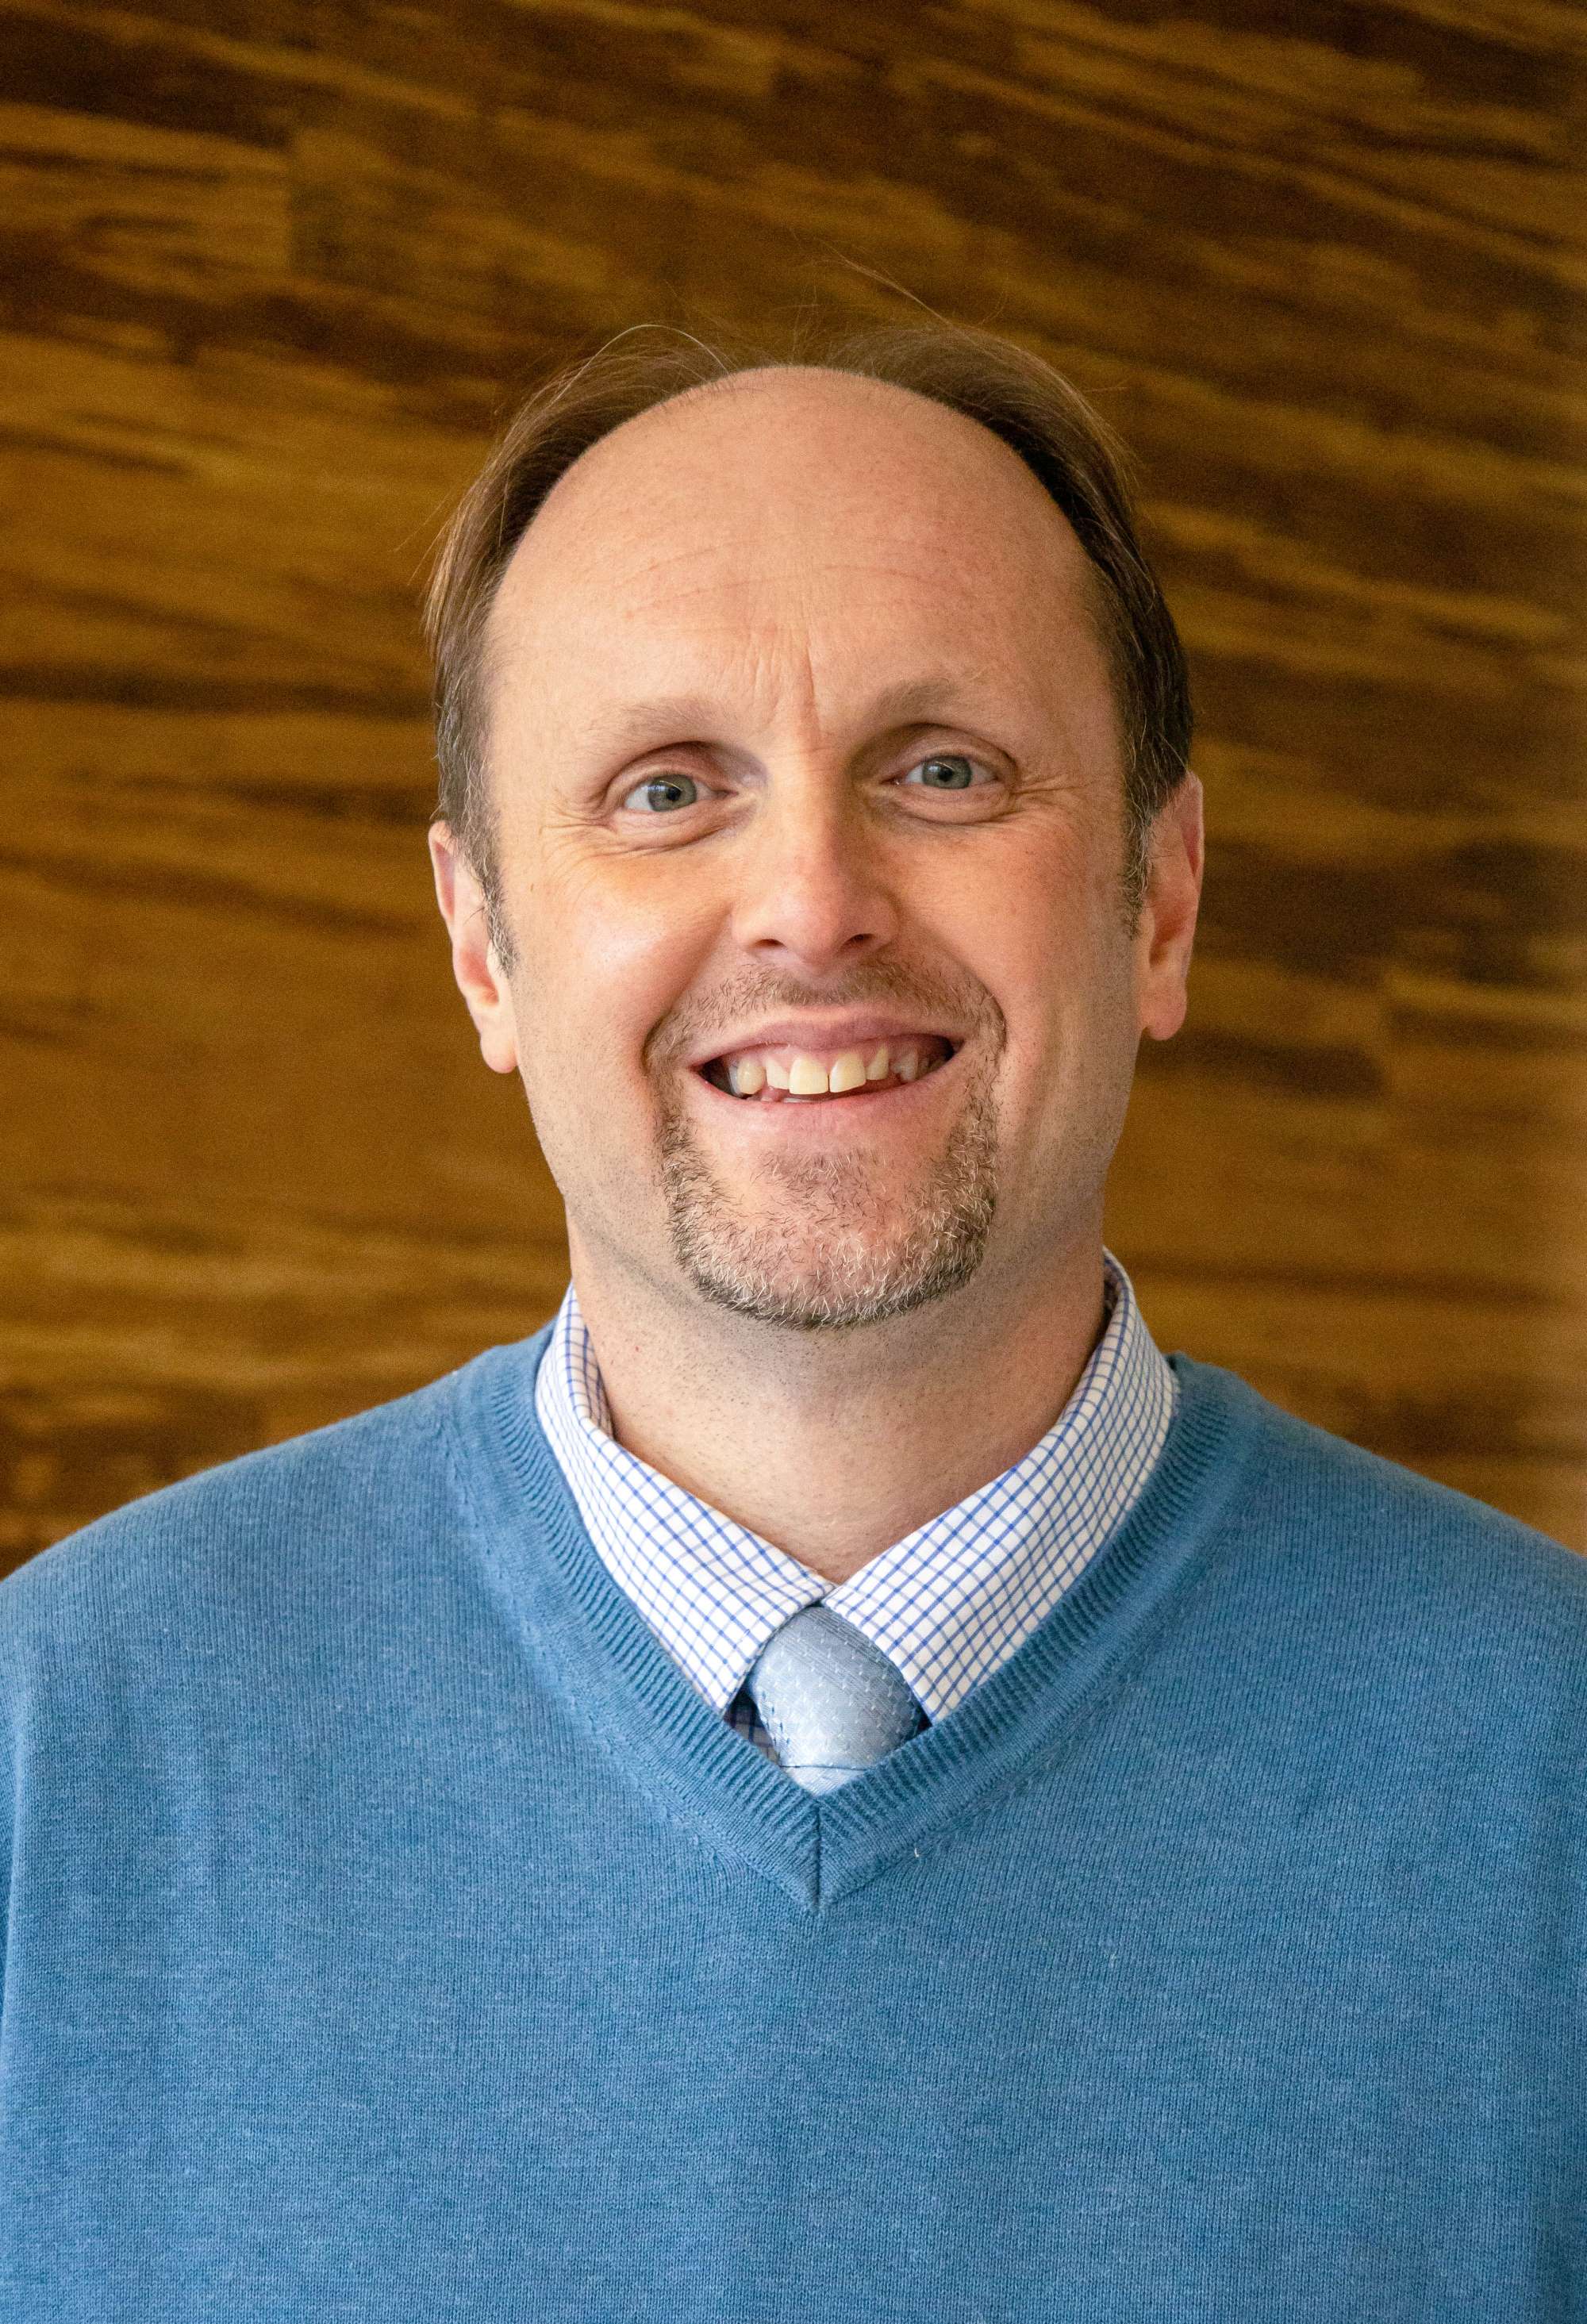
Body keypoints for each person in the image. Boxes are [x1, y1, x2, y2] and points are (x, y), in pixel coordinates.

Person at [2, 323, 1581, 2323]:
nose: (812, 900)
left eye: (943, 769)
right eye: (667, 790)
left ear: (1160, 902)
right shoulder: (56, 1757)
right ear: (482, 946)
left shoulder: (1557, 1785)